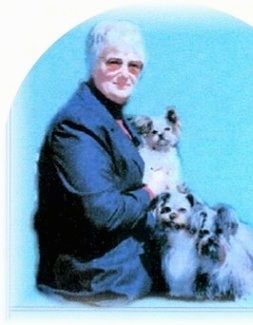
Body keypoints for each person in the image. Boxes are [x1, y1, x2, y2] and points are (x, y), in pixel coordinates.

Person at [33, 20, 168, 302]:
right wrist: (151, 189)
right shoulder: (76, 125)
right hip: (99, 280)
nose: (125, 74)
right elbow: (104, 212)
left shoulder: (113, 115)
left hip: (126, 259)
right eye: (114, 62)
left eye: (134, 66)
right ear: (94, 63)